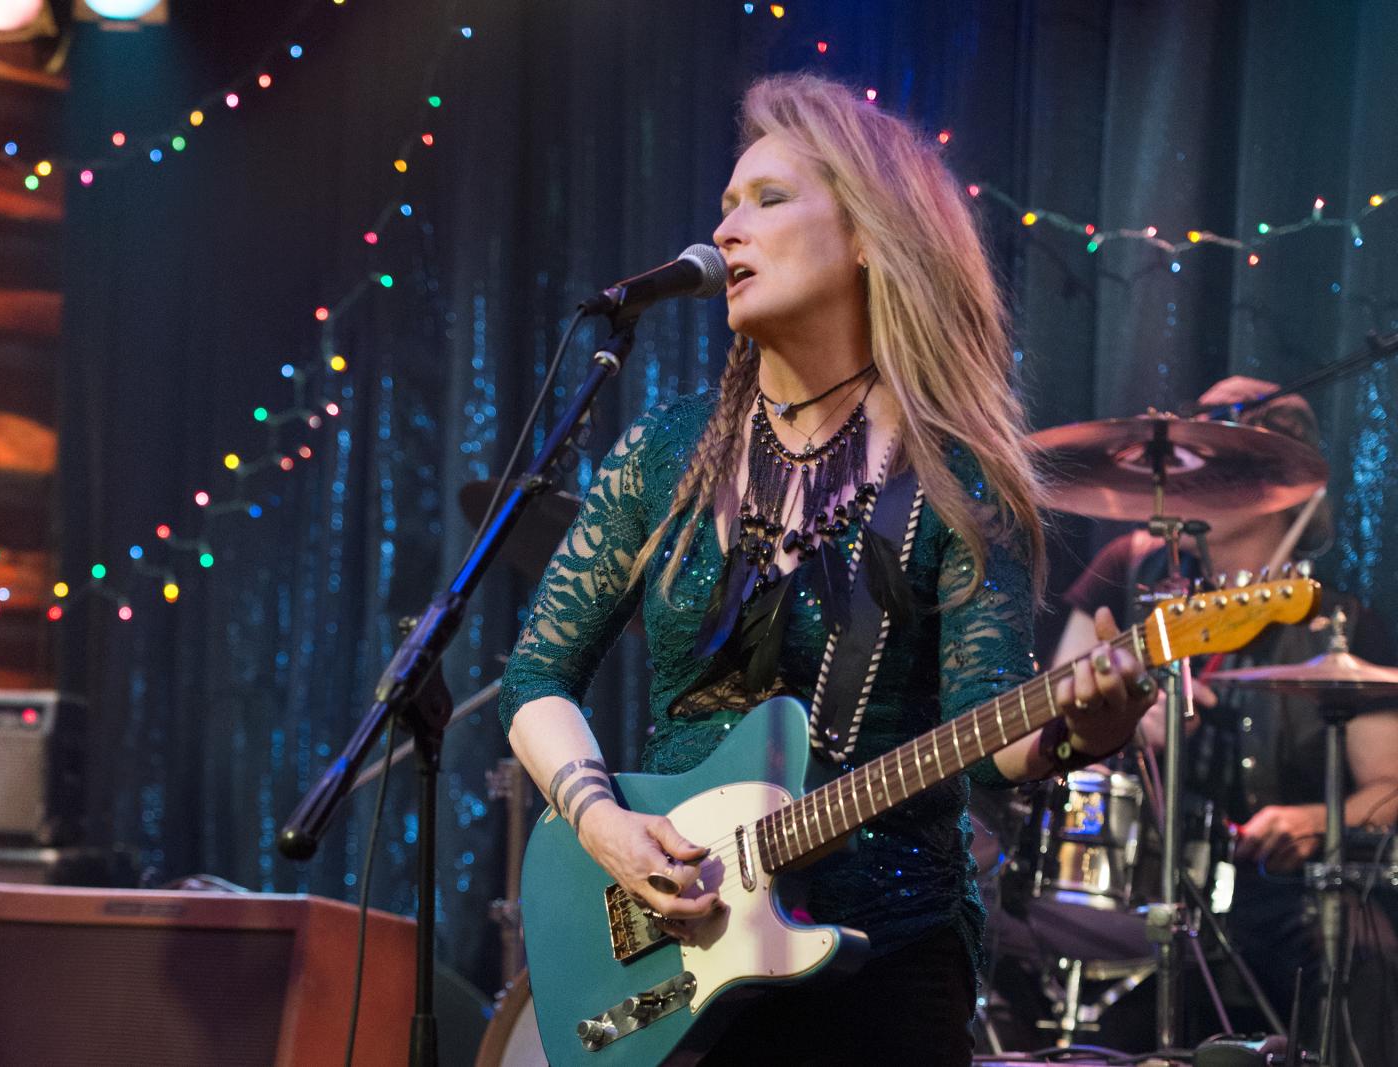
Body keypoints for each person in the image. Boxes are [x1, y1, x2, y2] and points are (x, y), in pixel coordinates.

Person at [496, 74, 1158, 1066]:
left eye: (767, 199)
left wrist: (1079, 729)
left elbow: (989, 731)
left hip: (882, 962)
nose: (726, 230)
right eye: (725, 204)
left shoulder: (958, 480)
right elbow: (536, 676)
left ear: (867, 237)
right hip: (680, 949)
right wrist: (602, 825)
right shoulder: (665, 454)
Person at [1052, 376, 1398, 1062]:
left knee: (1368, 955)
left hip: (1275, 894)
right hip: (1114, 875)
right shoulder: (1130, 567)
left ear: (1282, 484)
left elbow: (1390, 787)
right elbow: (1051, 707)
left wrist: (1314, 820)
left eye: (1216, 458)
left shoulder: (1341, 623)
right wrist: (1113, 724)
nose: (1188, 475)